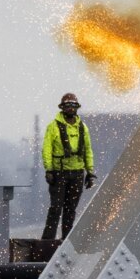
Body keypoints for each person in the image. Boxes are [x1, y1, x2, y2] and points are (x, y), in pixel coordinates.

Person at [41, 93, 96, 240]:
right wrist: (49, 169)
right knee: (56, 208)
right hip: (59, 173)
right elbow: (47, 149)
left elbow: (88, 150)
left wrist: (90, 172)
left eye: (73, 106)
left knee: (71, 209)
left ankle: (66, 240)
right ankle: (48, 240)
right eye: (68, 106)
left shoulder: (83, 128)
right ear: (62, 108)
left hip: (77, 173)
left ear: (77, 108)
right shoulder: (53, 127)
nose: (70, 109)